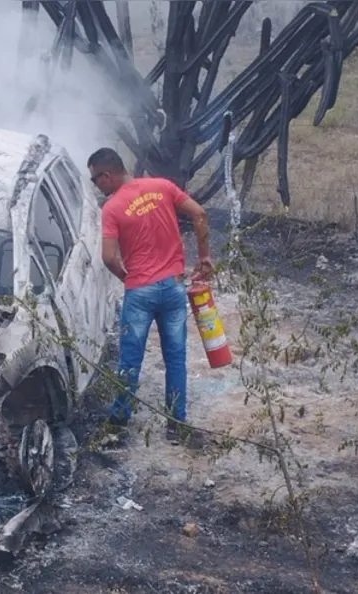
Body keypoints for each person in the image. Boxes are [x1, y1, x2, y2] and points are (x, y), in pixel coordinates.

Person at [87, 147, 213, 446]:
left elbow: (107, 257)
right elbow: (200, 214)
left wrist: (126, 277)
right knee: (176, 357)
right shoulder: (162, 186)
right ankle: (175, 423)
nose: (95, 186)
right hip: (173, 287)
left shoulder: (113, 207)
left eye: (95, 180)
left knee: (130, 359)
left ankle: (119, 421)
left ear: (107, 176)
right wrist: (205, 257)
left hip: (140, 292)